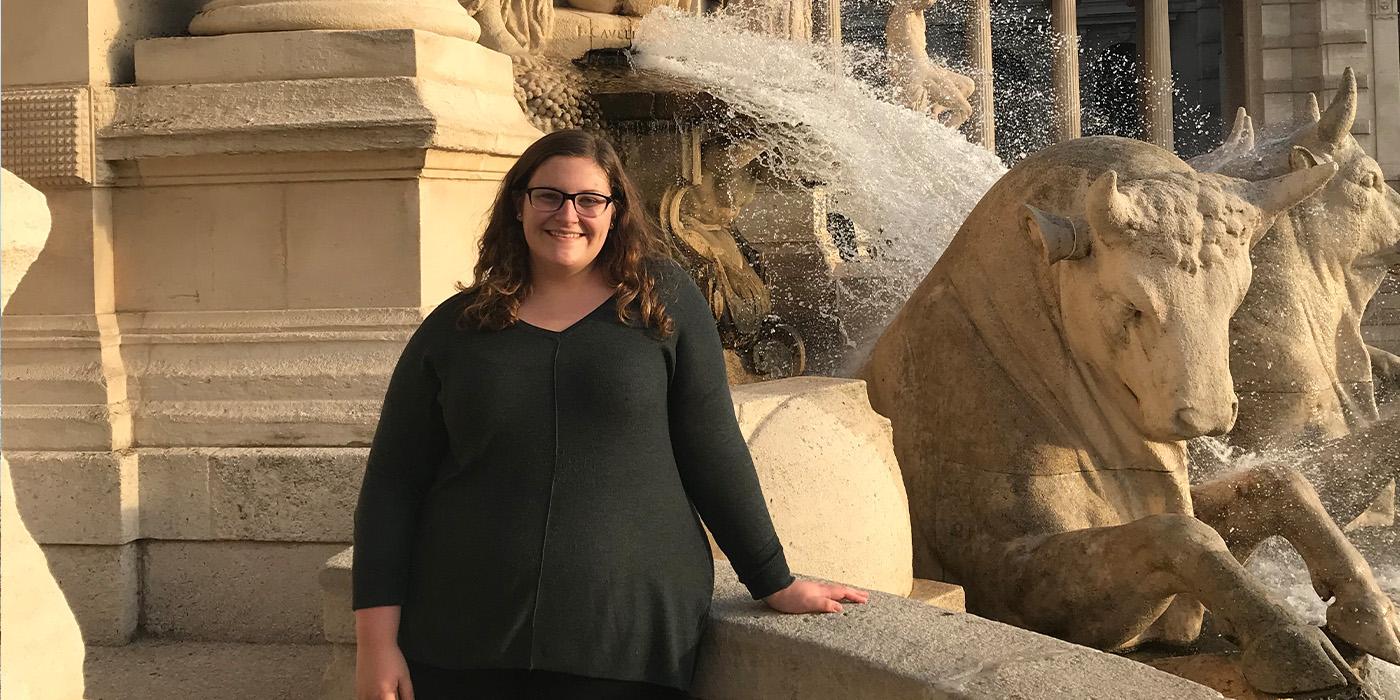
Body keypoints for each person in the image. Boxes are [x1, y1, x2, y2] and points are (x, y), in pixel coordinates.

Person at [352, 129, 868, 700]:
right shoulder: (456, 327)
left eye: (589, 200)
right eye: (548, 195)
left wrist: (775, 579)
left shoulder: (661, 302)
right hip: (459, 632)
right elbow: (392, 487)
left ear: (615, 211)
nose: (567, 214)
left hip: (626, 636)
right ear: (518, 204)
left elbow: (712, 449)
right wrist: (376, 643)